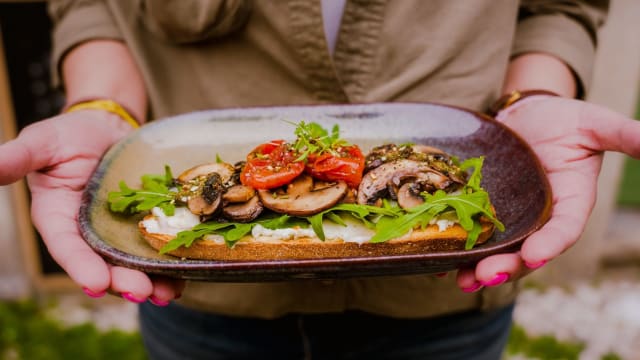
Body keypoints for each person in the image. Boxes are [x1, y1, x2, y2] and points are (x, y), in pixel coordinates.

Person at [1, 0, 639, 358]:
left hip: (442, 300)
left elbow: (558, 6)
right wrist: (100, 105)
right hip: (206, 306)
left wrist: (535, 96)